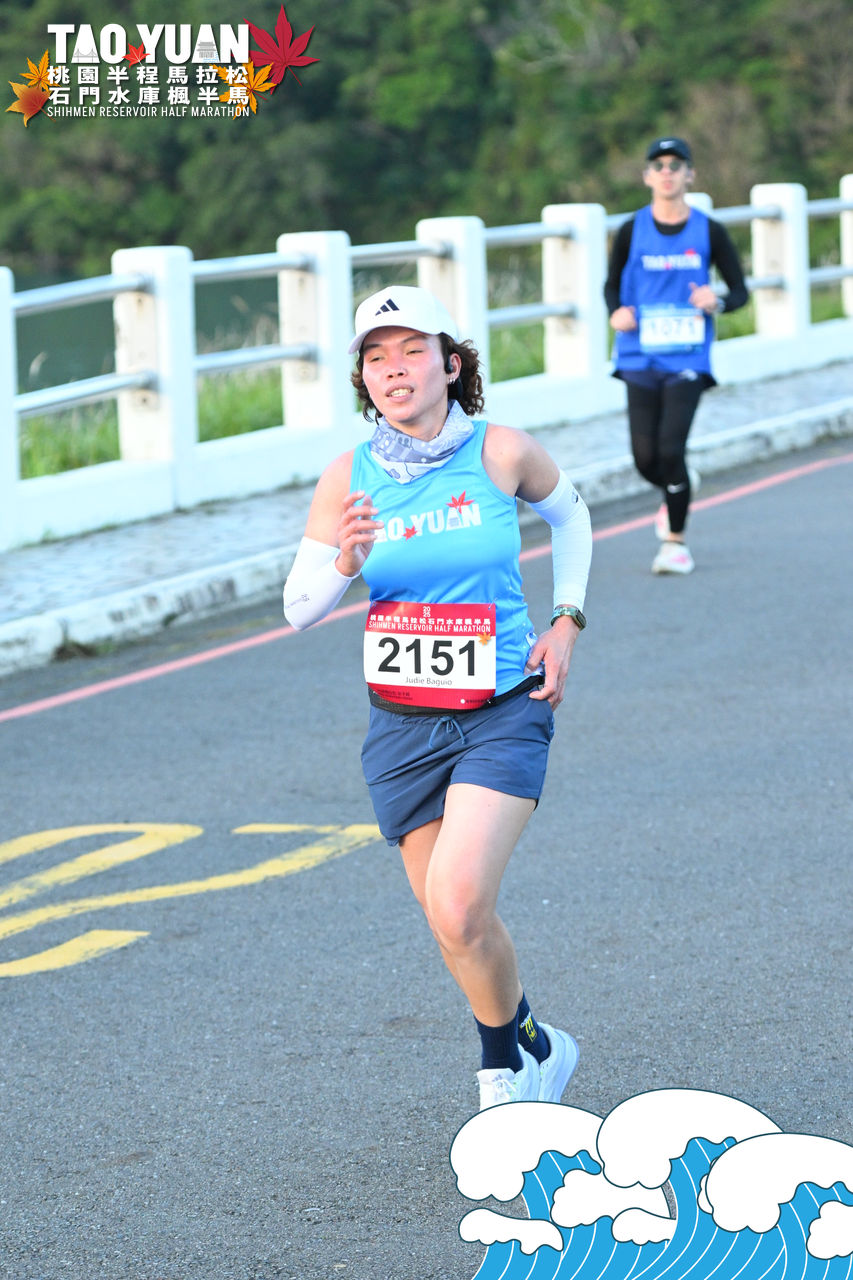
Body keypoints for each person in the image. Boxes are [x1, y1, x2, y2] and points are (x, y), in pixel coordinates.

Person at [283, 284, 592, 1110]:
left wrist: (565, 621)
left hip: (501, 711)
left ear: (450, 365)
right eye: (375, 358)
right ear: (363, 379)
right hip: (401, 726)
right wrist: (345, 563)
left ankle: (500, 1077)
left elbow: (572, 519)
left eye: (412, 351)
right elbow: (297, 609)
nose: (394, 369)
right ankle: (537, 1044)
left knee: (459, 906)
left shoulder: (500, 452)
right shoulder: (347, 477)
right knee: (453, 925)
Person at [604, 136, 749, 574]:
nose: (667, 172)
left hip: (687, 355)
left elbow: (740, 291)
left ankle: (675, 543)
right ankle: (679, 485)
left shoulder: (709, 230)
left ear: (690, 175)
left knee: (671, 448)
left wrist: (716, 300)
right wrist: (616, 312)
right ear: (647, 176)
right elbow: (611, 285)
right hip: (638, 355)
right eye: (659, 165)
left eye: (675, 165)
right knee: (645, 459)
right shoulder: (631, 229)